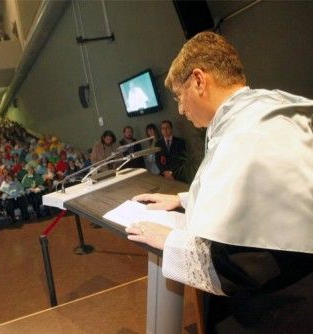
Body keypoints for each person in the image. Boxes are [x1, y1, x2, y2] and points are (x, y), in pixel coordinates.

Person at [126, 32, 313, 333]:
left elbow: (246, 261)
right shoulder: (263, 109)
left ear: (199, 80)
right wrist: (185, 200)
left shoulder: (246, 134)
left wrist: (169, 240)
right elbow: (259, 194)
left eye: (179, 95)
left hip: (278, 306)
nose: (181, 110)